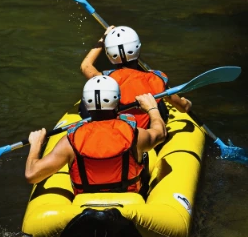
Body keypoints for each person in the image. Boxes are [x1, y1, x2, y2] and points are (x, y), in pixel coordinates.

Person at [25, 76, 166, 194]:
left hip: (84, 204)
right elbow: (160, 133)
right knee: (145, 157)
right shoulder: (136, 136)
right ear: (117, 102)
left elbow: (32, 175)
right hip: (129, 201)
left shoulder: (69, 142)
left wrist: (36, 145)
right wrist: (152, 108)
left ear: (85, 105)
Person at [80, 25, 192, 128]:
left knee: (87, 101)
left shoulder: (106, 81)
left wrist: (103, 39)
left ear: (109, 54)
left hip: (119, 134)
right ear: (138, 49)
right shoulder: (156, 79)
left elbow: (85, 66)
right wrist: (186, 102)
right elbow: (184, 107)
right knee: (160, 104)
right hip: (146, 136)